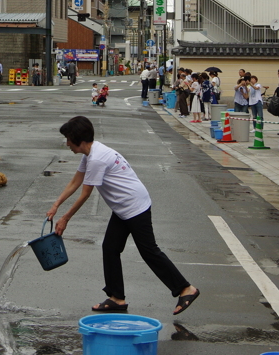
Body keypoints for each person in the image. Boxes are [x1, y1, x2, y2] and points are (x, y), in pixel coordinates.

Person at [47, 116, 200, 315]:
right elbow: (75, 181)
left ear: (79, 139)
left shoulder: (97, 159)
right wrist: (56, 205)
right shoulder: (90, 154)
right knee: (110, 248)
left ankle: (186, 289)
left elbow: (86, 193)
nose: (67, 143)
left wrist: (65, 218)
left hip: (135, 207)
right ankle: (117, 298)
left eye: (68, 139)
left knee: (149, 251)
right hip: (123, 208)